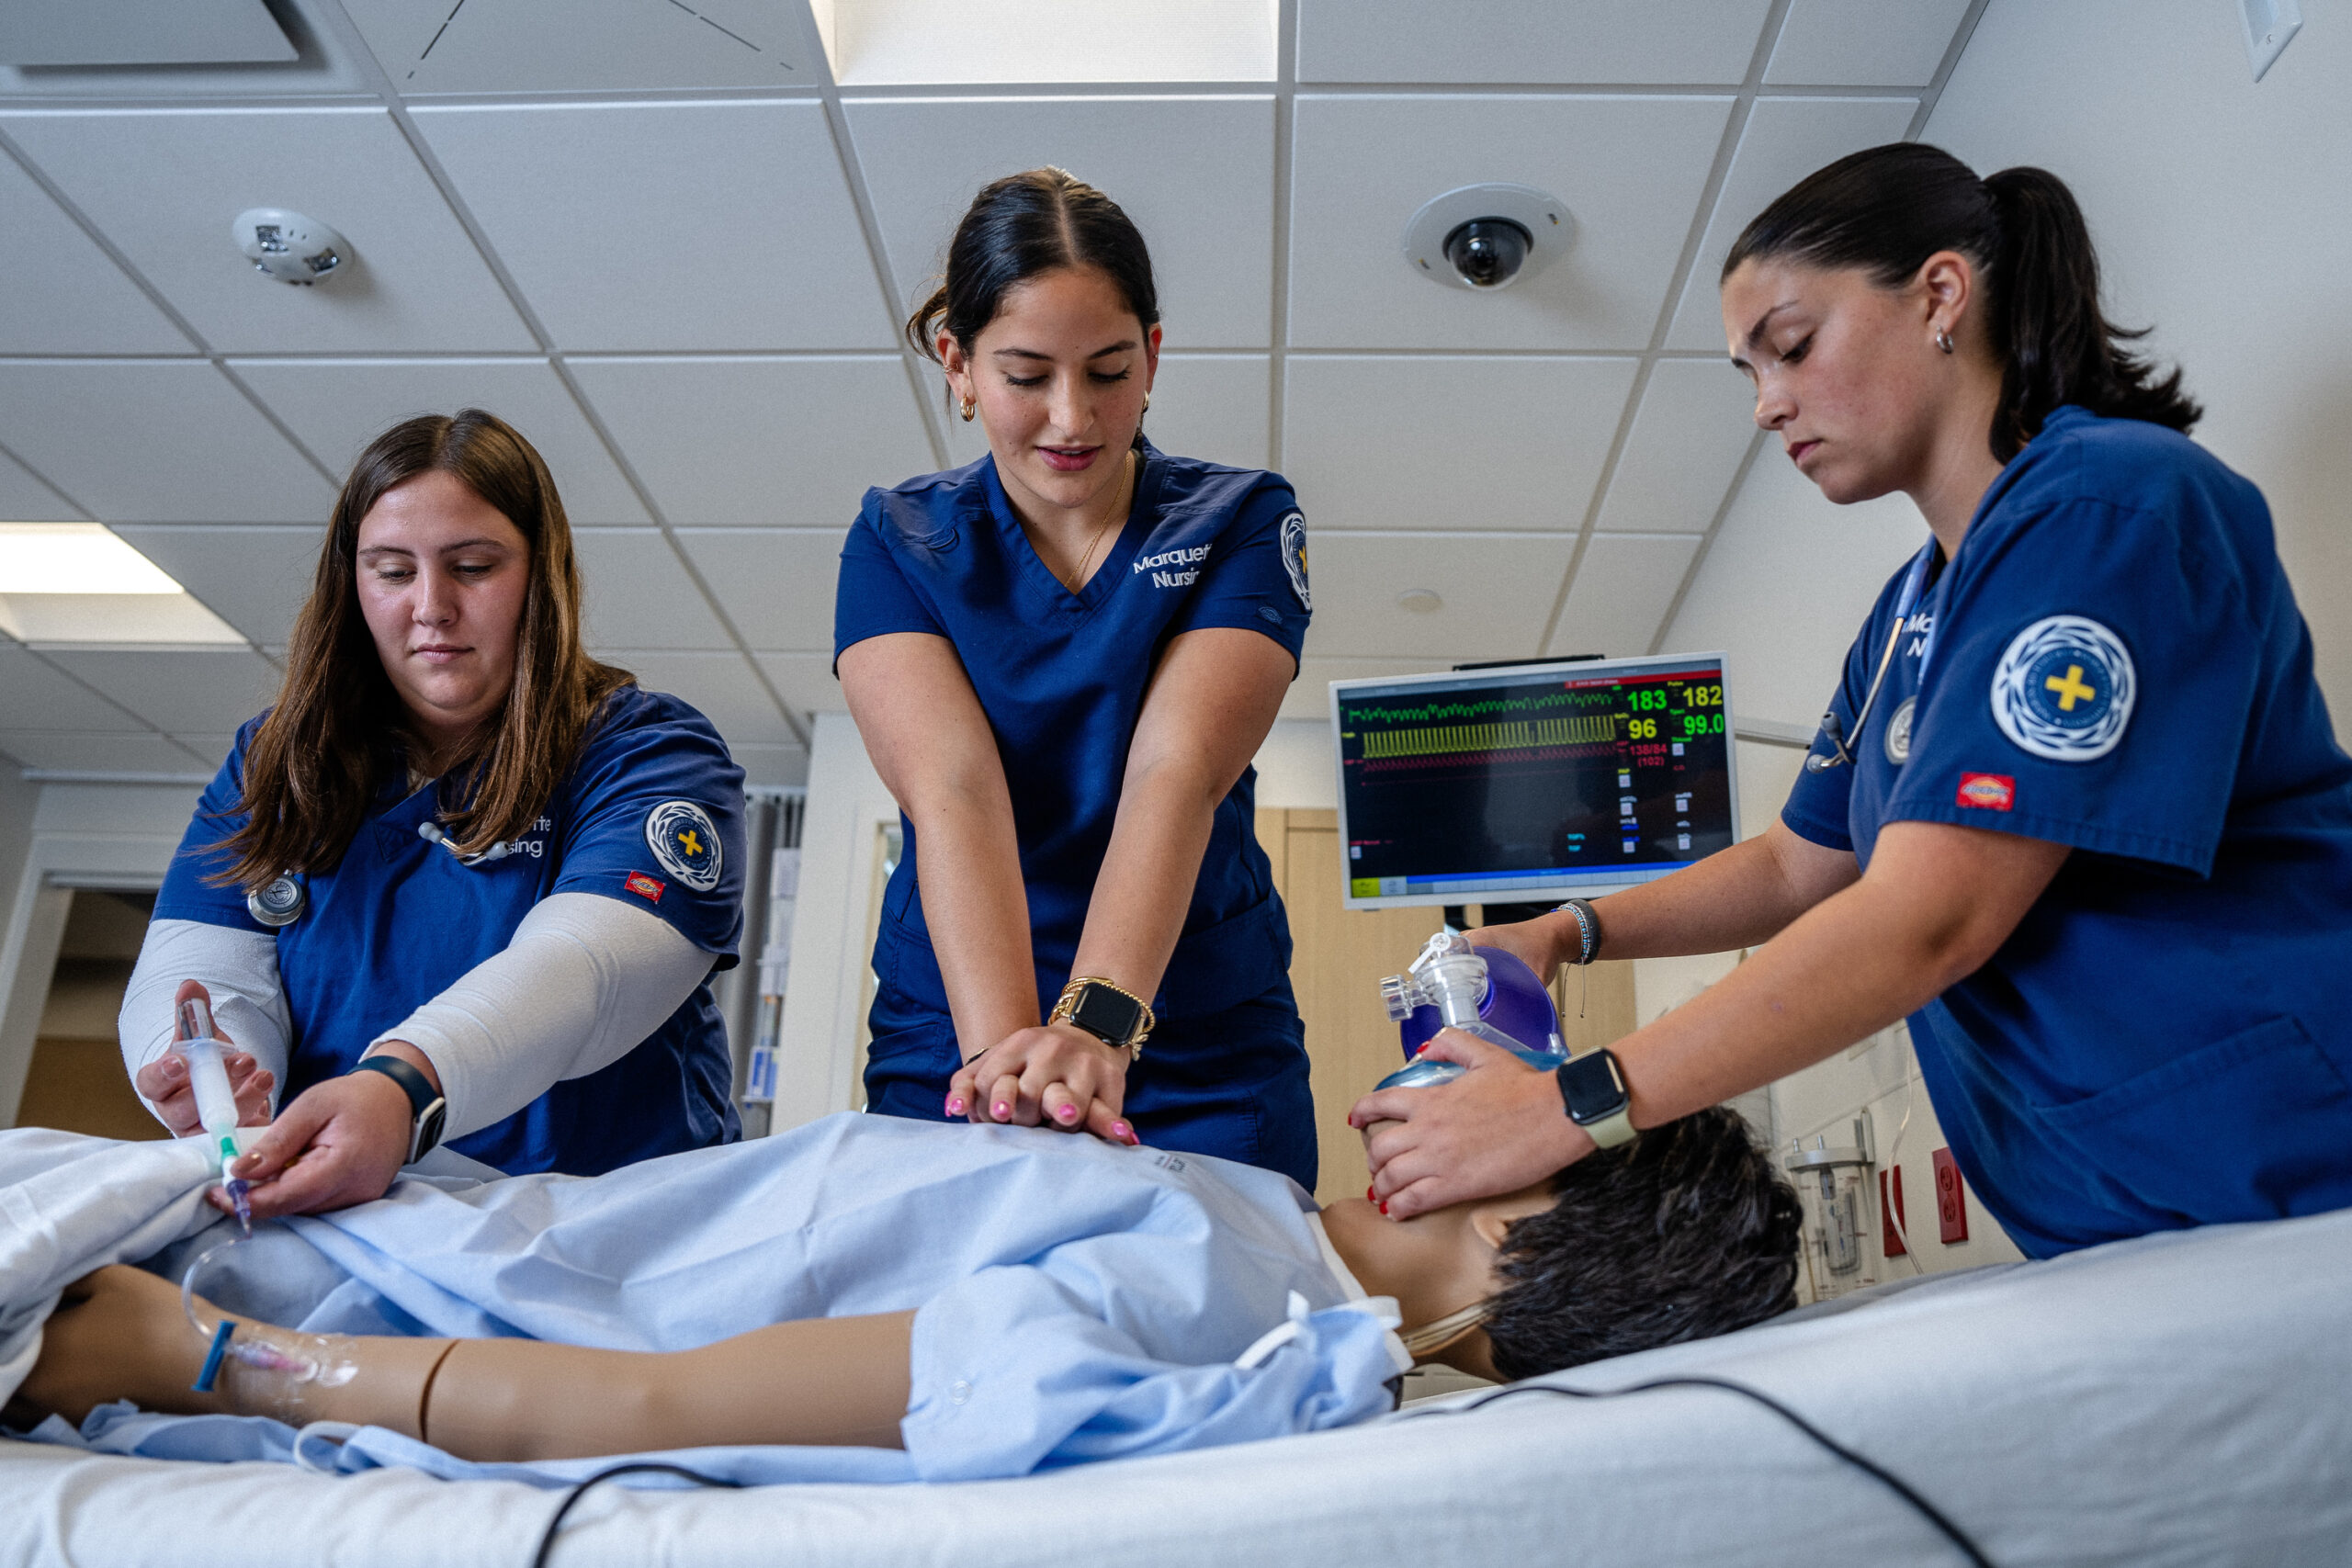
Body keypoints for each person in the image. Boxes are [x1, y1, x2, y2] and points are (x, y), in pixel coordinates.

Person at [1352, 143, 2352, 1258]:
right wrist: (1567, 931)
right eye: (1748, 374)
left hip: (2283, 1163)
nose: (1767, 406)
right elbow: (1796, 864)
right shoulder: (1911, 610)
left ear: (1938, 296)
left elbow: (1927, 913)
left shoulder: (2106, 507)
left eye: (1790, 348)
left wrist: (1565, 1106)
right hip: (2106, 1205)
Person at [9, 1106, 1799, 1474]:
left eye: (1554, 1115)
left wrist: (223, 1360)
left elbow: (646, 1405)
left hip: (274, 1311)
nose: (1495, 1079)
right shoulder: (1240, 1205)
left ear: (1528, 1233)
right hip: (385, 1219)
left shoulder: (1208, 1308)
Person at [122, 411, 748, 1219]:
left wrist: (403, 1088)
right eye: (391, 571)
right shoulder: (278, 762)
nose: (432, 606)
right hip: (352, 1224)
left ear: (541, 575)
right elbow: (200, 974)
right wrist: (219, 1075)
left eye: (474, 566)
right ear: (351, 584)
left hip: (606, 1232)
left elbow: (587, 971)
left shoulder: (647, 754)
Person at [835, 169, 1318, 1187]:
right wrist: (1012, 1072)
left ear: (1151, 356)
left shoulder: (1239, 520)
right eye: (1025, 375)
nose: (1071, 419)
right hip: (958, 1022)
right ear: (957, 364)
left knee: (1226, 1310)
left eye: (1105, 371)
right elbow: (953, 792)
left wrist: (1095, 1032)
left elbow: (1173, 776)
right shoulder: (897, 540)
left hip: (1192, 1024)